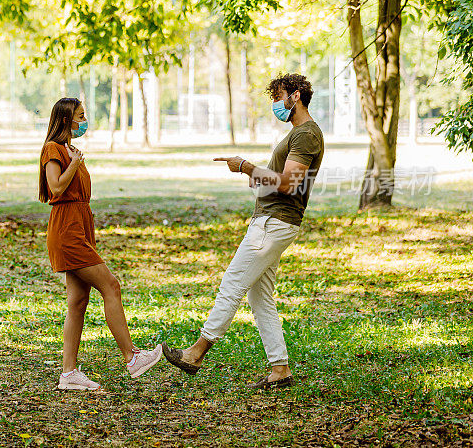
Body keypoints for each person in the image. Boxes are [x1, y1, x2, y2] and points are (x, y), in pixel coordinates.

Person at [163, 73, 324, 390]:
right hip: (272, 219)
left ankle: (196, 353)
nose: (275, 105)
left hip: (275, 222)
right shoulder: (298, 134)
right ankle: (280, 369)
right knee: (260, 297)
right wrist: (257, 177)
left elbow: (290, 183)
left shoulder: (306, 135)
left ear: (295, 96)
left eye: (278, 97)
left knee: (232, 283)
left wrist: (246, 166)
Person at [40, 97, 162, 391]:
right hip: (67, 230)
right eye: (80, 116)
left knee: (78, 302)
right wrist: (75, 163)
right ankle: (132, 357)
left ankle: (69, 374)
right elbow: (56, 188)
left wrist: (76, 158)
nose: (85, 120)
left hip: (80, 225)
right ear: (66, 119)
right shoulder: (53, 149)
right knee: (111, 285)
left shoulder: (70, 149)